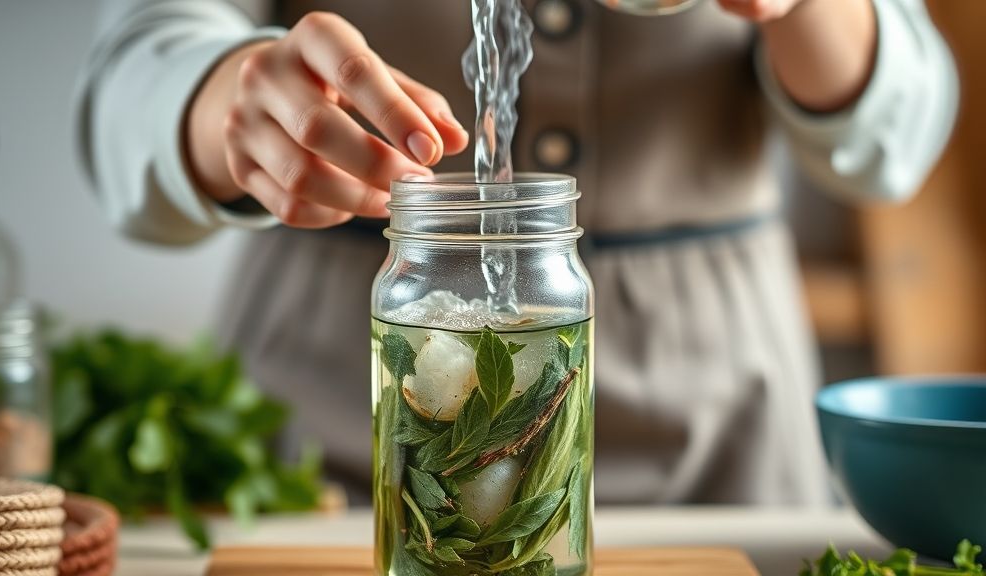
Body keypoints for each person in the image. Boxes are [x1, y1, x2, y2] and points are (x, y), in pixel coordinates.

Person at [76, 0, 958, 506]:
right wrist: (223, 98)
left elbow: (901, 136)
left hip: (722, 427)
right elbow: (133, 64)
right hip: (329, 427)